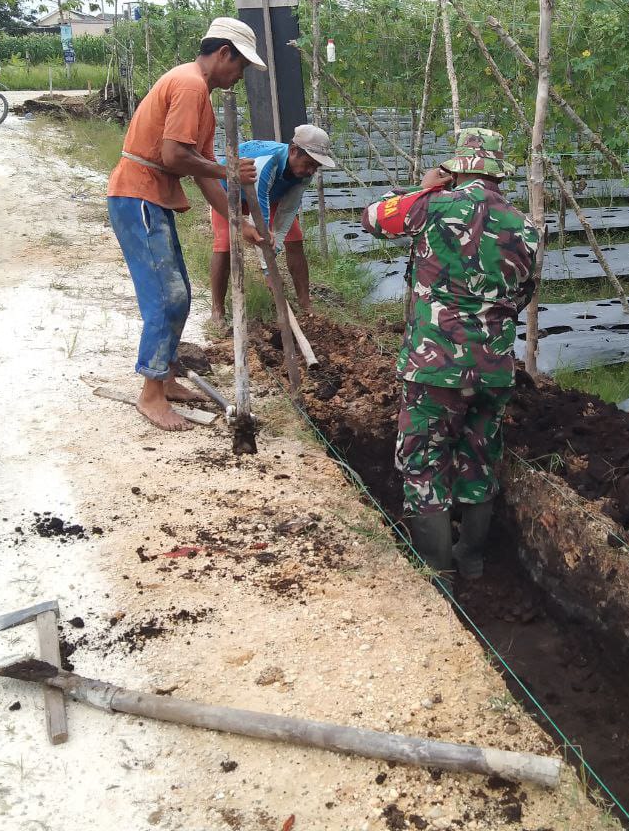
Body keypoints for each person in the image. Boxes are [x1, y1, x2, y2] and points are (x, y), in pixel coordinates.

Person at [361, 128, 540, 578]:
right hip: (494, 371)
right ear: (499, 173)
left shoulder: (431, 205)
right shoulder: (526, 228)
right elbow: (523, 295)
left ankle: (438, 574)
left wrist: (426, 187)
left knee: (424, 465)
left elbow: (372, 217)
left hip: (433, 368)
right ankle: (472, 558)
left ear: (456, 168)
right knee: (479, 462)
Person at [106, 17, 267, 431]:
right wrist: (228, 171)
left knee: (180, 290)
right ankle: (151, 395)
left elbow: (203, 172)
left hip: (150, 198)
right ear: (224, 54)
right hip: (137, 194)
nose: (240, 75)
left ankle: (166, 376)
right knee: (167, 295)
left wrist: (236, 223)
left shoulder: (203, 99)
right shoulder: (191, 85)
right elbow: (175, 157)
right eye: (241, 65)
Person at [208, 124, 337, 327]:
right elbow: (259, 223)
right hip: (229, 193)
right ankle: (217, 311)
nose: (311, 170)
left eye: (316, 166)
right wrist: (268, 269)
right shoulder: (265, 164)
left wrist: (276, 243)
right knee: (225, 246)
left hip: (271, 195)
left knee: (295, 239)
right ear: (293, 151)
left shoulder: (305, 172)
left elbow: (288, 211)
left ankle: (305, 304)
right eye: (308, 163)